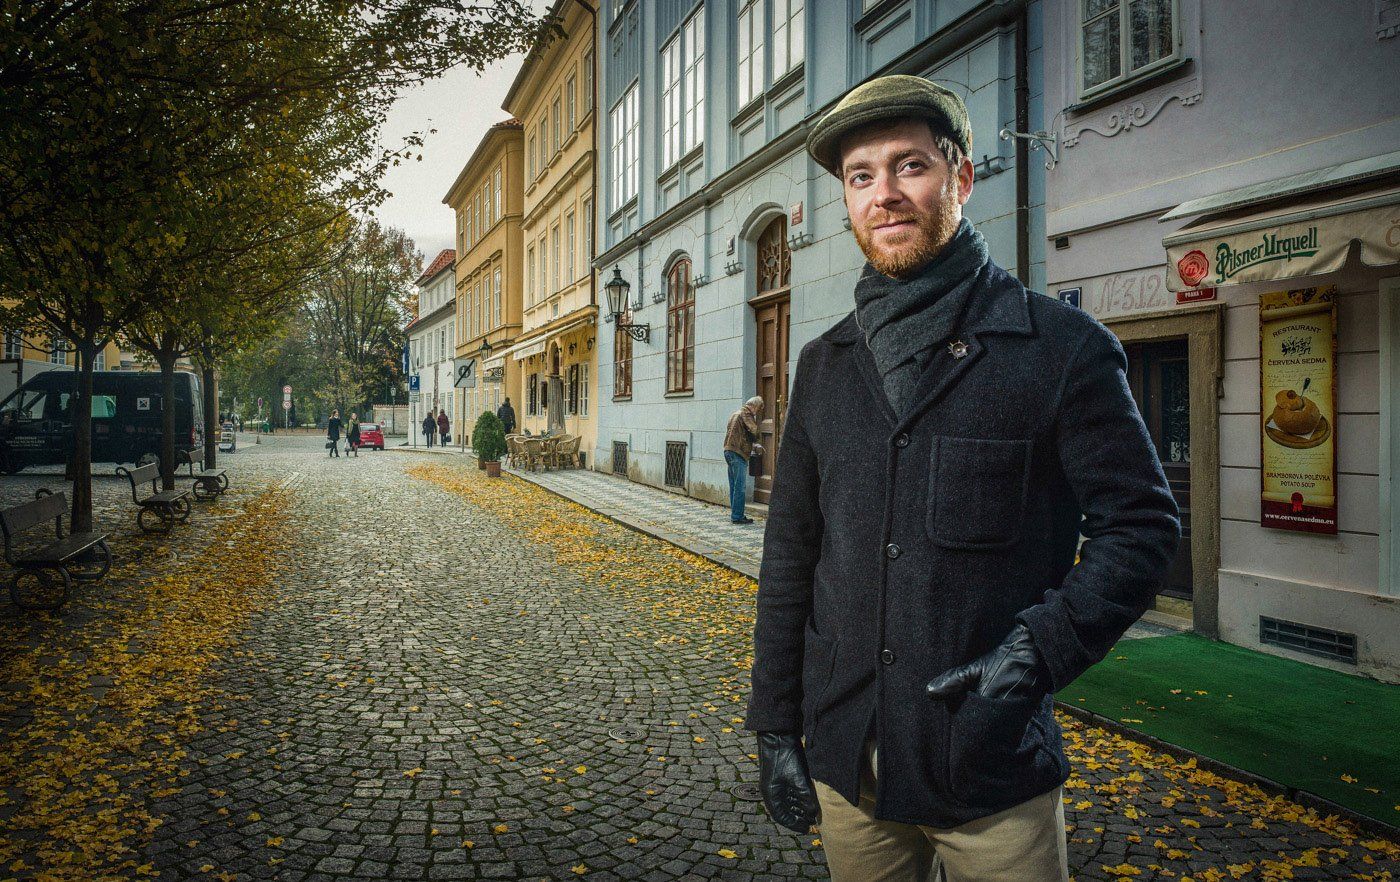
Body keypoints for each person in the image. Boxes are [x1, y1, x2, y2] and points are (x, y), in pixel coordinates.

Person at [743, 76, 1180, 882]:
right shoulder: (824, 364)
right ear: (847, 200)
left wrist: (1038, 649)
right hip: (848, 756)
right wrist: (774, 723)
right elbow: (791, 553)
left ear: (963, 177)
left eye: (909, 166)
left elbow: (1142, 528)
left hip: (988, 761)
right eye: (861, 176)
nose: (884, 193)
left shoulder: (1060, 348)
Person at [723, 396, 764, 525]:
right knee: (740, 486)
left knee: (734, 485)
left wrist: (752, 444)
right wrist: (757, 440)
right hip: (738, 452)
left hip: (729, 450)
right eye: (758, 409)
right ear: (754, 406)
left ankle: (735, 513)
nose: (757, 413)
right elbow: (753, 430)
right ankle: (737, 516)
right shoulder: (746, 414)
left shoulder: (735, 413)